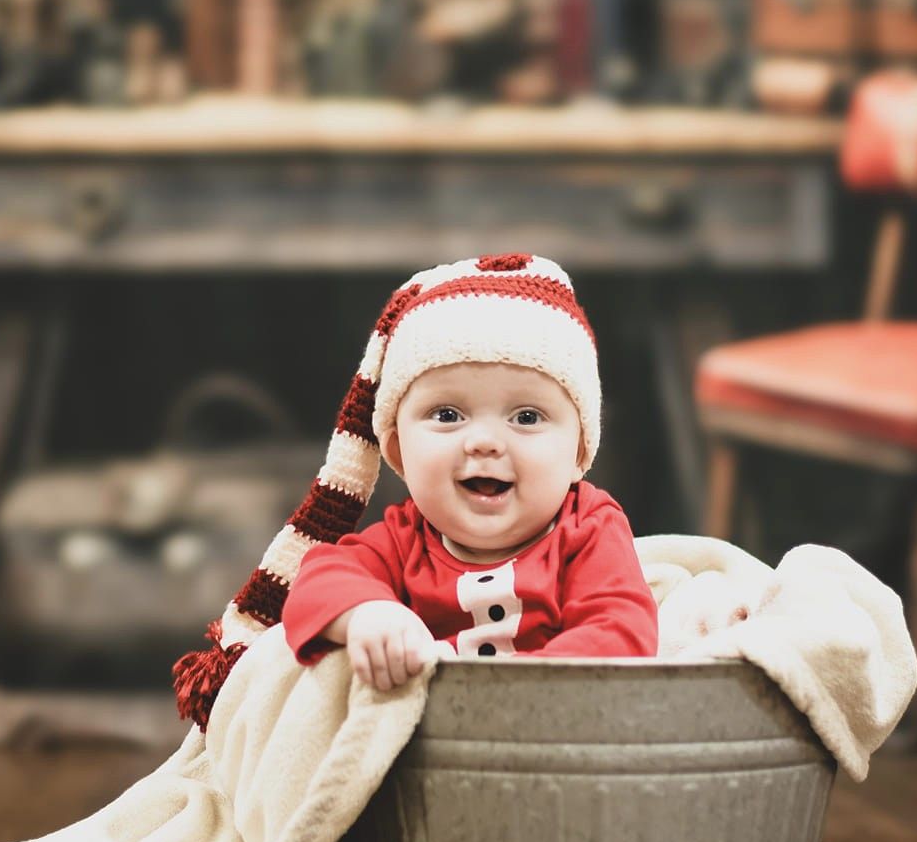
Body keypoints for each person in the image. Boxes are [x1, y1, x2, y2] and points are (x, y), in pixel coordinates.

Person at [172, 253, 657, 727]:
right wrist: (367, 615)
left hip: (556, 746)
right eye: (447, 415)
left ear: (578, 453)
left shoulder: (588, 527)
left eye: (526, 418)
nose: (484, 441)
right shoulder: (403, 542)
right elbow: (316, 581)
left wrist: (519, 693)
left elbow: (621, 632)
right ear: (398, 451)